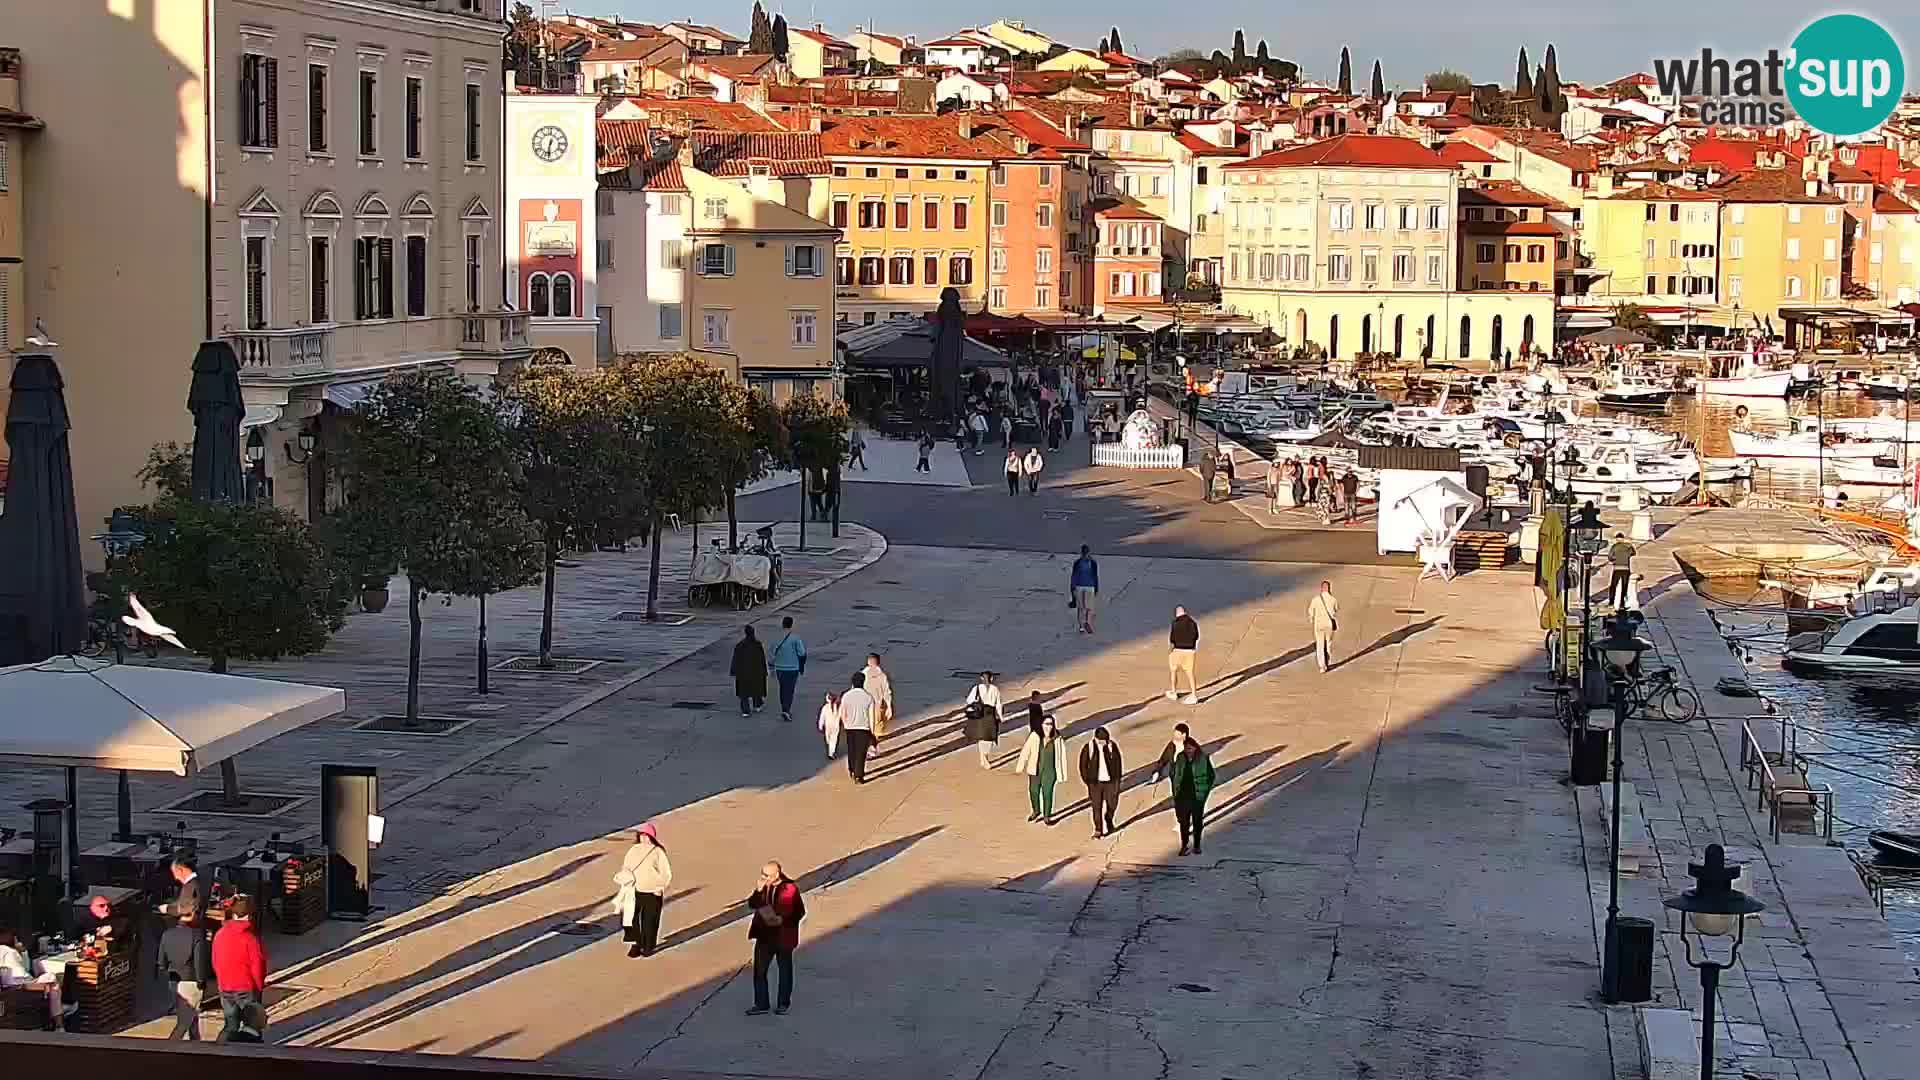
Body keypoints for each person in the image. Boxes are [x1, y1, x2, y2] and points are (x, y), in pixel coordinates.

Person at [745, 862, 804, 1016]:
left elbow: (798, 911)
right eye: (762, 874)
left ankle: (783, 1003)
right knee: (759, 971)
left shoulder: (789, 888)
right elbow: (752, 904)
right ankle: (761, 1003)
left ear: (777, 874)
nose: (763, 878)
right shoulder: (763, 886)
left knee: (784, 970)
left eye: (767, 875)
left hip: (783, 936)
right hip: (765, 936)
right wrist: (758, 891)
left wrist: (782, 920)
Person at [211, 895, 267, 1042]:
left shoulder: (220, 934)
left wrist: (222, 981)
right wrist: (259, 986)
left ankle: (224, 1053)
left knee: (230, 1024)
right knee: (252, 1026)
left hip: (225, 986)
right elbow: (258, 966)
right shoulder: (250, 938)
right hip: (246, 987)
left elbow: (215, 961)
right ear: (250, 915)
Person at [614, 823, 672, 958]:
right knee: (630, 920)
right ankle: (636, 944)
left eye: (647, 836)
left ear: (652, 837)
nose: (644, 838)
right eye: (642, 835)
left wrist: (660, 887)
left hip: (652, 892)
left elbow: (666, 873)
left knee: (649, 922)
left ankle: (648, 946)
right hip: (634, 890)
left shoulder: (658, 852)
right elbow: (626, 867)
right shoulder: (633, 850)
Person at [0, 927, 68, 1030]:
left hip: (11, 987)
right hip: (20, 987)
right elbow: (23, 976)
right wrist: (21, 952)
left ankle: (57, 1011)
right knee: (52, 979)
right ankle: (59, 1022)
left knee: (46, 975)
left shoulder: (7, 951)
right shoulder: (10, 952)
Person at [160, 903, 209, 1040]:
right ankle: (167, 1050)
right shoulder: (196, 935)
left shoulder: (167, 934)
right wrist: (201, 981)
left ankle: (196, 1046)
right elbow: (199, 961)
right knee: (184, 1023)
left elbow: (161, 962)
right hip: (190, 981)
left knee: (191, 1019)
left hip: (174, 981)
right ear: (192, 915)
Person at [1016, 715, 1071, 825]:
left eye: (1051, 724)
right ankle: (1036, 811)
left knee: (1048, 793)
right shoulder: (1035, 736)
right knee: (1033, 791)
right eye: (1046, 724)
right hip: (1035, 769)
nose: (1048, 727)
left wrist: (1062, 773)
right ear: (1041, 725)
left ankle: (1047, 816)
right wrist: (1020, 766)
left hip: (1050, 771)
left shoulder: (1057, 738)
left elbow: (1061, 756)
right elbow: (1026, 751)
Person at [1170, 737, 1216, 856]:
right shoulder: (1180, 757)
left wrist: (1205, 790)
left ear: (1195, 747)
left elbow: (1211, 776)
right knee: (1183, 823)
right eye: (1186, 748)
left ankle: (1196, 845)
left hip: (1197, 796)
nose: (1188, 751)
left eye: (1190, 748)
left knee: (1197, 822)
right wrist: (1175, 790)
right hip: (1182, 796)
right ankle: (1184, 845)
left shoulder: (1203, 758)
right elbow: (1173, 773)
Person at [1079, 726, 1123, 838]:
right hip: (1095, 783)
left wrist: (1118, 779)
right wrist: (1088, 781)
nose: (1105, 742)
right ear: (1097, 739)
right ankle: (1098, 829)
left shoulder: (1111, 746)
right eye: (1103, 741)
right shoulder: (1088, 748)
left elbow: (1118, 762)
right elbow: (1083, 766)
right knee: (1096, 807)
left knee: (1112, 804)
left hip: (1111, 782)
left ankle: (1108, 819)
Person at [839, 671, 875, 783]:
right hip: (863, 727)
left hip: (850, 727)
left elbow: (842, 713)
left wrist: (846, 724)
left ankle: (851, 768)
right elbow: (872, 716)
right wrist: (872, 731)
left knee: (851, 750)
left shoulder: (846, 696)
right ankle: (859, 775)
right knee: (861, 752)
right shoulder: (868, 697)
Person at [964, 671, 1003, 769]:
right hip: (985, 714)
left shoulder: (982, 688)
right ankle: (984, 758)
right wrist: (999, 716)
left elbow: (969, 700)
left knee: (986, 737)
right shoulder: (993, 689)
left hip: (985, 714)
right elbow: (998, 704)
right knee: (984, 737)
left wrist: (999, 715)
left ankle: (983, 756)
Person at [769, 616, 806, 722]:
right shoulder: (795, 638)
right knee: (789, 690)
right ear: (791, 624)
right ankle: (786, 710)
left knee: (782, 688)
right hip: (792, 668)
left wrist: (772, 666)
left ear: (782, 624)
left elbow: (771, 652)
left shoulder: (776, 638)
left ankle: (784, 708)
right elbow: (802, 653)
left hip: (780, 668)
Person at [731, 626, 767, 717]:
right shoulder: (757, 644)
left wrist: (734, 671)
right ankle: (757, 705)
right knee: (756, 688)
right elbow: (762, 659)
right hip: (756, 671)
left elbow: (736, 659)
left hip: (743, 672)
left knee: (744, 692)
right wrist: (764, 671)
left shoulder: (740, 645)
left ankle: (745, 710)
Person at [1167, 605, 1200, 704]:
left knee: (1173, 671)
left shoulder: (1175, 623)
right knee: (1190, 673)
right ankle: (1194, 695)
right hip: (1190, 651)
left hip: (1177, 650)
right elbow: (1196, 636)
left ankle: (1173, 692)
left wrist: (1170, 650)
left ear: (1177, 614)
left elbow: (1172, 639)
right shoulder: (1193, 622)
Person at [1308, 580, 1340, 673]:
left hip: (1318, 625)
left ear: (1321, 588)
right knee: (1328, 643)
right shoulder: (1333, 599)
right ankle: (1327, 661)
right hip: (1329, 624)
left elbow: (1310, 611)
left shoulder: (1316, 599)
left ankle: (1322, 666)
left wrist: (1312, 619)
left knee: (1320, 644)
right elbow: (1335, 610)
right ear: (1329, 589)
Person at [862, 654, 894, 744]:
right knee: (875, 727)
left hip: (870, 705)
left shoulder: (864, 674)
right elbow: (887, 692)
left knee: (872, 727)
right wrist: (889, 706)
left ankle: (871, 744)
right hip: (875, 705)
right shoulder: (881, 676)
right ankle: (872, 744)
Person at [1069, 544, 1099, 634]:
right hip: (1084, 587)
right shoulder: (1079, 563)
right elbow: (1074, 576)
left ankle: (1085, 624)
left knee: (1086, 608)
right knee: (1083, 608)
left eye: (1086, 553)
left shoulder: (1092, 563)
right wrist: (1073, 588)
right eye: (1084, 553)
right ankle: (1084, 625)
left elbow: (1095, 576)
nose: (1085, 555)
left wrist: (1096, 587)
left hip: (1085, 586)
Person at [1608, 532, 1637, 609]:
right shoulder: (1628, 547)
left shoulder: (1614, 547)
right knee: (1624, 587)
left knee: (1613, 586)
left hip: (1617, 568)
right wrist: (1631, 545)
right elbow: (1633, 553)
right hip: (1626, 569)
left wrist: (1615, 559)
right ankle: (1622, 604)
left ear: (1617, 539)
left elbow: (1610, 557)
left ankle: (1611, 602)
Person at [817, 690, 843, 760]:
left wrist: (820, 726)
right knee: (832, 739)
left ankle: (831, 752)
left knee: (830, 739)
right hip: (835, 726)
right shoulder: (837, 707)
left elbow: (822, 717)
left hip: (829, 726)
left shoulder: (826, 707)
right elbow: (842, 716)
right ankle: (831, 751)